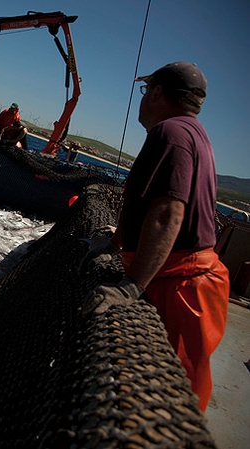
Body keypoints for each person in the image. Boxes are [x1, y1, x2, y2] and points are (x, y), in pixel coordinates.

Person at [81, 61, 230, 412]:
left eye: (146, 90)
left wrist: (131, 285)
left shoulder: (171, 134)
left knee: (167, 399)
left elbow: (168, 211)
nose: (143, 98)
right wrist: (117, 241)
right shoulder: (191, 132)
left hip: (181, 284)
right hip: (171, 275)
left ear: (158, 92)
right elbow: (147, 203)